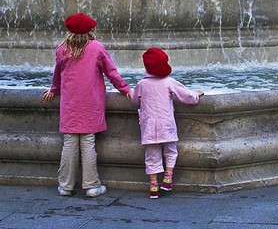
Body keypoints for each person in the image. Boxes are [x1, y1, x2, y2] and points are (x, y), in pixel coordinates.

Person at [42, 13, 131, 197]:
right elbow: (111, 72)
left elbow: (58, 75)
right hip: (90, 102)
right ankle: (91, 185)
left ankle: (65, 186)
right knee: (88, 142)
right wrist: (125, 89)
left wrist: (53, 89)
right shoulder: (97, 48)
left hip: (70, 104)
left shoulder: (62, 49)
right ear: (90, 30)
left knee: (69, 143)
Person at [131, 47, 204, 199]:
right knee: (170, 151)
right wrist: (197, 94)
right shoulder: (169, 81)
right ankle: (168, 178)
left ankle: (153, 187)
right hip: (166, 125)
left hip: (149, 127)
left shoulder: (142, 84)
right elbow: (187, 97)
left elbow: (134, 99)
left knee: (151, 156)